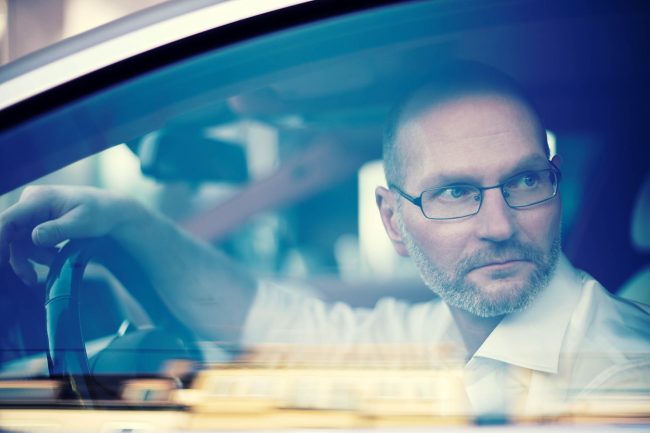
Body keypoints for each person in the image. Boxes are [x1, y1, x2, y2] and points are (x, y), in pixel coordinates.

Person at [0, 62, 648, 416]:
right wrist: (128, 220)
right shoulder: (450, 331)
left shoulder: (619, 383)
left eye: (526, 181)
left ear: (554, 181)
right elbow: (277, 322)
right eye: (455, 193)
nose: (500, 224)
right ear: (393, 220)